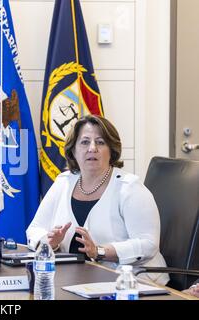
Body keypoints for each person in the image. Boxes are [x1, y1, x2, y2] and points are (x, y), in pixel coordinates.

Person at [26, 115, 169, 285]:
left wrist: (100, 251)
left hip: (132, 284)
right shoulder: (63, 182)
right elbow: (34, 229)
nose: (92, 148)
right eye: (85, 142)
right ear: (73, 150)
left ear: (112, 150)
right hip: (75, 282)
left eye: (100, 142)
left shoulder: (130, 188)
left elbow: (148, 244)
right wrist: (49, 241)